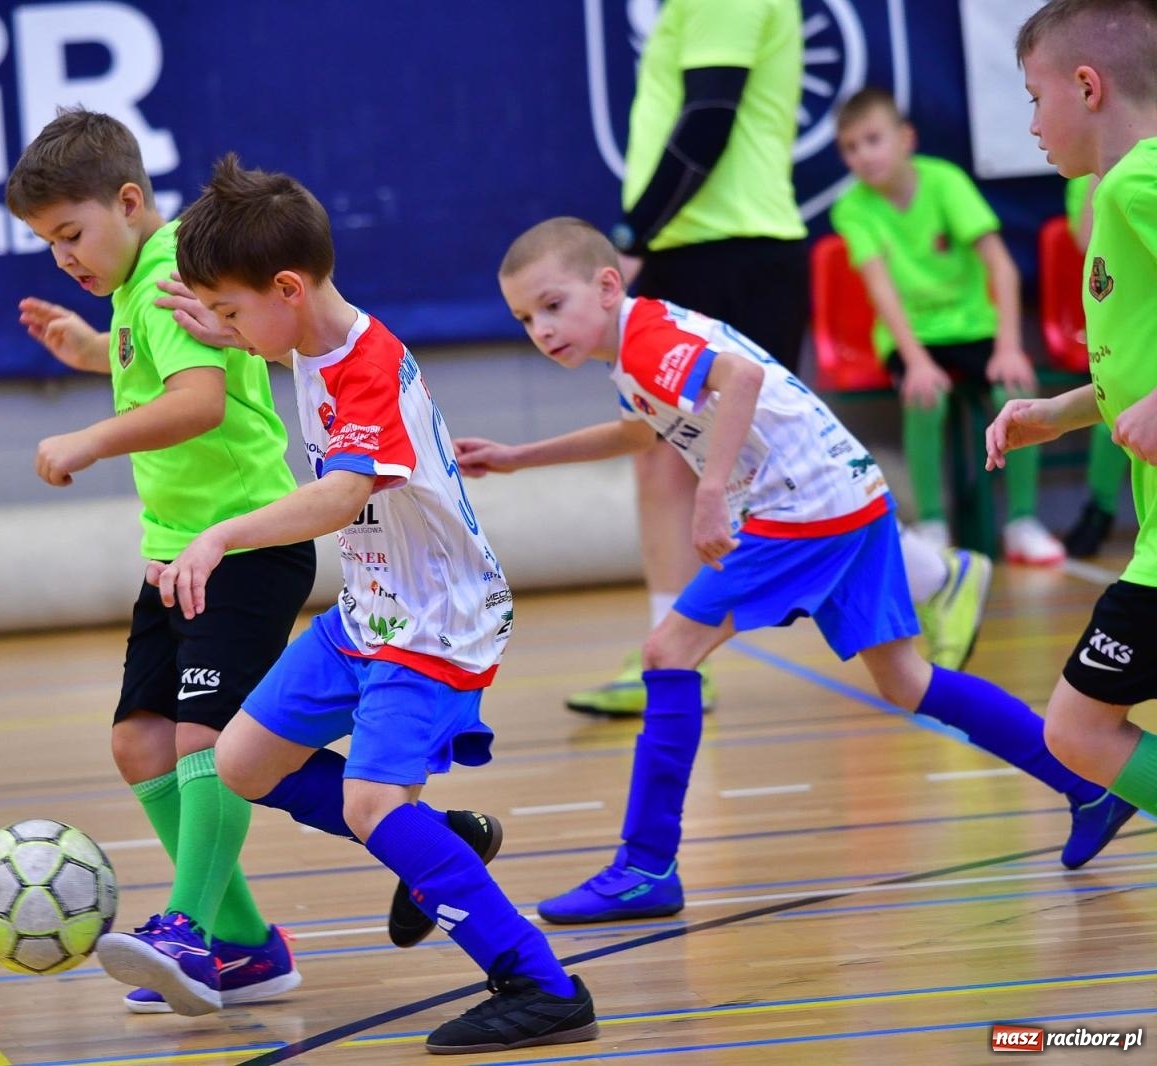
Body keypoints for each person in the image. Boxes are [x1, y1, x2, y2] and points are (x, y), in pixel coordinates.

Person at [457, 216, 1135, 924]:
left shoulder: (651, 336)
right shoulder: (637, 348)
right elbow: (641, 431)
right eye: (525, 318)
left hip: (803, 506)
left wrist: (712, 490)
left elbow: (742, 376)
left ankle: (645, 865)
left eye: (552, 305)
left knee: (668, 650)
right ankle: (1087, 787)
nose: (541, 328)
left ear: (605, 285)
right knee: (906, 681)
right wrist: (517, 456)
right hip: (853, 493)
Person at [118, 155, 599, 1053]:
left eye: (230, 311)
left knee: (376, 804)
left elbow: (340, 498)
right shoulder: (306, 337)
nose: (223, 328)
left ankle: (540, 983)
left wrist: (223, 534)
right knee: (242, 764)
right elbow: (273, 336)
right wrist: (227, 334)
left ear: (288, 289)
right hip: (373, 612)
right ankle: (440, 842)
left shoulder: (363, 367)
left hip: (435, 622)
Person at [5, 108, 316, 1016]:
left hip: (246, 543)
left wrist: (91, 438)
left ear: (129, 200)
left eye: (71, 233)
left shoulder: (176, 267)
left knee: (202, 742)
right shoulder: (132, 291)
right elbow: (153, 365)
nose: (63, 256)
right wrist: (91, 351)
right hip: (173, 556)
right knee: (138, 741)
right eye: (46, 244)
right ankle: (250, 947)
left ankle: (188, 926)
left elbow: (200, 402)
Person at [568, 0, 811, 716]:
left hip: (733, 250)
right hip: (685, 248)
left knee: (774, 474)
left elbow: (709, 117)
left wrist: (631, 238)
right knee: (654, 453)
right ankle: (669, 659)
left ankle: (936, 576)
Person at [987, 0, 1157, 837]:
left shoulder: (1137, 181)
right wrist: (1059, 412)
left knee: (1079, 729)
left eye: (1033, 96)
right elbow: (1138, 369)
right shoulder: (1112, 196)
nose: (1031, 123)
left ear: (1086, 87)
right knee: (1079, 728)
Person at [829, 87, 1066, 566]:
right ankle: (933, 524)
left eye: (872, 139)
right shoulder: (851, 208)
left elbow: (1001, 266)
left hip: (974, 327)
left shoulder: (946, 182)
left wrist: (1009, 347)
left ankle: (1021, 522)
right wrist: (915, 362)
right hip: (912, 338)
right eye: (850, 148)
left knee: (1015, 393)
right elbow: (882, 290)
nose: (863, 156)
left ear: (905, 138)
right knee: (925, 395)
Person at [1059, 172, 1131, 557]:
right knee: (1117, 417)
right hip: (1126, 341)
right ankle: (1101, 508)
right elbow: (1091, 245)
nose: (1036, 128)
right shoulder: (1090, 178)